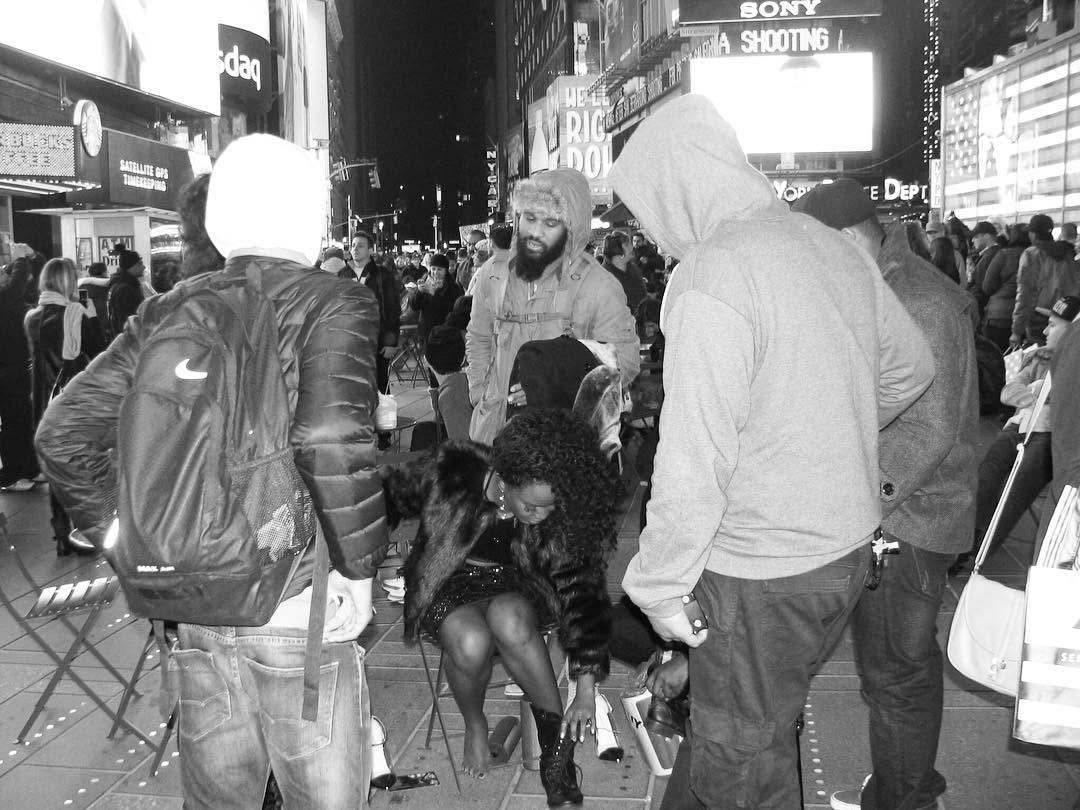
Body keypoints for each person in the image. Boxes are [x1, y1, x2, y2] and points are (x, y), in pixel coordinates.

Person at [35, 135, 389, 810]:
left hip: (193, 606)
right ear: (308, 214)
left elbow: (63, 434)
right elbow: (329, 436)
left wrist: (128, 539)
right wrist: (361, 570)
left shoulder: (167, 308)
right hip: (297, 606)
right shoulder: (333, 300)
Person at [609, 94, 935, 810]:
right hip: (843, 553)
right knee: (760, 728)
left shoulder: (712, 272)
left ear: (677, 187)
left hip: (760, 570)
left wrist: (658, 585)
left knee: (741, 768)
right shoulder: (827, 243)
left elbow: (694, 454)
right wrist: (821, 434)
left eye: (647, 207)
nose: (652, 231)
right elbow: (911, 370)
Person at [793, 178, 979, 810]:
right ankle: (909, 781)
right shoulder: (888, 285)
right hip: (903, 512)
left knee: (894, 673)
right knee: (902, 665)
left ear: (849, 238)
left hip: (908, 519)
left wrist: (862, 503)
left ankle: (902, 798)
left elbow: (927, 428)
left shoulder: (916, 299)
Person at [383, 408, 619, 804]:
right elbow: (384, 499)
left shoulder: (555, 510)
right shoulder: (454, 468)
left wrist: (585, 688)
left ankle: (556, 751)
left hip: (519, 585)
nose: (541, 515)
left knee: (508, 619)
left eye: (550, 507)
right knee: (470, 640)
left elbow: (584, 596)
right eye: (532, 506)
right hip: (449, 581)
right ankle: (475, 724)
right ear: (507, 477)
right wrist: (353, 563)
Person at [466, 168, 639, 444]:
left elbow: (623, 363)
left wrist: (551, 385)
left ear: (570, 227)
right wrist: (479, 392)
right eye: (529, 217)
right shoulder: (494, 274)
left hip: (560, 443)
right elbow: (479, 335)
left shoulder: (598, 286)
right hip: (493, 436)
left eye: (550, 221)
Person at [963, 295, 1079, 568]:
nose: (1046, 331)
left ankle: (982, 546)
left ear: (1070, 331)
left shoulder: (1070, 362)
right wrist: (1040, 396)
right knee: (989, 471)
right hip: (1021, 428)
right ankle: (967, 538)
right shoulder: (1037, 357)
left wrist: (1040, 398)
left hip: (1047, 438)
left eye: (1054, 325)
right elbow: (1008, 392)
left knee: (1019, 481)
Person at [25, 257, 107, 555]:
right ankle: (85, 533)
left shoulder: (31, 318)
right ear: (67, 281)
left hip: (43, 402)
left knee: (56, 470)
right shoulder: (75, 314)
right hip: (73, 402)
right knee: (82, 469)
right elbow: (99, 350)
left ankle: (62, 535)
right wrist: (92, 316)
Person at [344, 231, 400, 397]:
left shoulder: (382, 274)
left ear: (370, 250)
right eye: (353, 245)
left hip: (377, 341)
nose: (355, 249)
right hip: (349, 341)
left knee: (380, 386)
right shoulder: (343, 275)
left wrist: (391, 342)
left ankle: (383, 413)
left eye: (360, 246)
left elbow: (392, 308)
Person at [1012, 213, 1080, 347]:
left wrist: (1017, 330)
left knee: (1041, 356)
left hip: (1039, 318)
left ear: (1033, 234)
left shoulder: (1031, 254)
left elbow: (1025, 293)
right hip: (1067, 316)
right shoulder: (1069, 252)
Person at [0, 258, 39, 491]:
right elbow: (17, 284)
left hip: (14, 367)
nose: (5, 276)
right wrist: (23, 258)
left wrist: (30, 259)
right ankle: (11, 474)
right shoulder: (5, 298)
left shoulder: (9, 300)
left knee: (23, 419)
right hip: (7, 370)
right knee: (13, 421)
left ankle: (27, 468)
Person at [982, 224, 1029, 352]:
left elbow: (987, 286)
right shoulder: (1036, 256)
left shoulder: (1004, 254)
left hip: (998, 316)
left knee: (993, 357)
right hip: (1027, 318)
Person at [424, 324, 472, 441]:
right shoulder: (466, 382)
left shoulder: (450, 397)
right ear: (463, 359)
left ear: (426, 360)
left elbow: (463, 448)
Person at [409, 253, 464, 346]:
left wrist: (434, 294)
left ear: (446, 270)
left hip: (445, 332)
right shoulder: (425, 282)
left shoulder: (453, 287)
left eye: (439, 269)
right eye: (433, 269)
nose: (436, 272)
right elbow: (414, 306)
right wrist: (419, 292)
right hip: (427, 331)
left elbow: (452, 309)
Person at [600, 231, 647, 313]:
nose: (632, 247)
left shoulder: (633, 268)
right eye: (627, 245)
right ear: (618, 252)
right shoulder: (604, 277)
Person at [107, 247, 145, 336]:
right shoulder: (125, 289)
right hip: (129, 340)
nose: (143, 267)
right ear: (130, 267)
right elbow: (126, 321)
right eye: (139, 264)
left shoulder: (121, 285)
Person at [967, 220, 1001, 321]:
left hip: (983, 308)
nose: (972, 240)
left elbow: (981, 285)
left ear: (987, 236)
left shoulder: (990, 255)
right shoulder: (993, 254)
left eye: (976, 237)